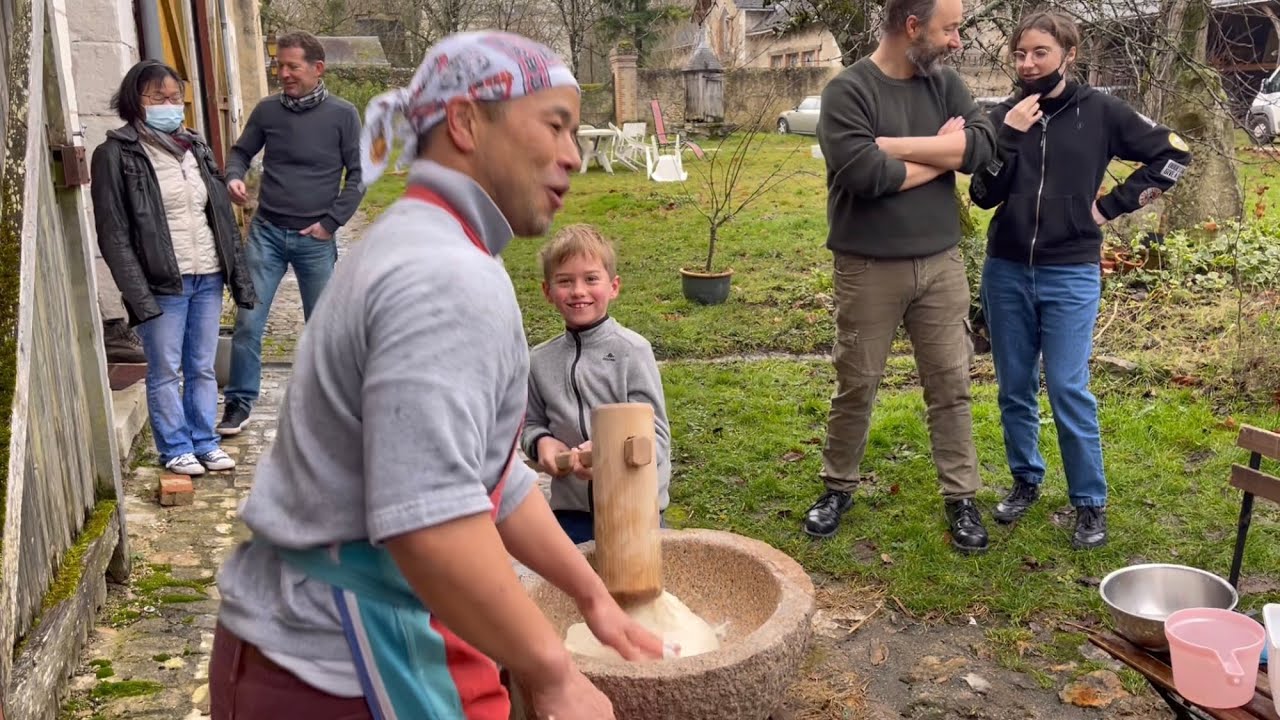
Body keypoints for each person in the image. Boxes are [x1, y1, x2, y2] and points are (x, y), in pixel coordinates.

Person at [211, 32, 663, 720]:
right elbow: (432, 523)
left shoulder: (419, 239)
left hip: (323, 653)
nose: (574, 153)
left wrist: (592, 595)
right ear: (466, 122)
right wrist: (553, 673)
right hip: (335, 675)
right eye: (555, 125)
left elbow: (490, 473)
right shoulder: (443, 275)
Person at [969, 11, 1192, 549]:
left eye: (1040, 52)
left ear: (1069, 53)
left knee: (1068, 386)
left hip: (1070, 271)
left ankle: (1089, 503)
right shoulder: (1005, 115)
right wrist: (1010, 138)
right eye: (1020, 53)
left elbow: (1176, 154)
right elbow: (982, 195)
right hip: (1006, 270)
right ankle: (1026, 480)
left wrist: (1108, 208)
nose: (1027, 63)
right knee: (1014, 387)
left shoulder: (1103, 112)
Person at [805, 0, 997, 553]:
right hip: (867, 267)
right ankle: (837, 486)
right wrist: (945, 151)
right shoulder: (849, 92)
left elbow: (982, 147)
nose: (957, 41)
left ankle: (961, 497)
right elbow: (863, 173)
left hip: (941, 265)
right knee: (857, 384)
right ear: (912, 28)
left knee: (951, 386)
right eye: (950, 29)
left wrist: (896, 147)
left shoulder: (946, 84)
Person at [90, 60, 257, 476]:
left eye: (174, 98)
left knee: (201, 366)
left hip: (207, 274)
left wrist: (234, 272)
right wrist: (137, 294)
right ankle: (176, 447)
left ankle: (205, 441)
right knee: (165, 369)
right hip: (163, 281)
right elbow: (113, 234)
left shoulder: (195, 147)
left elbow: (217, 216)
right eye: (158, 97)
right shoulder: (116, 154)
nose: (169, 105)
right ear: (135, 100)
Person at [217, 30, 365, 436]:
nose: (282, 73)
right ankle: (239, 404)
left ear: (318, 69)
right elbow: (240, 151)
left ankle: (326, 409)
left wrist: (330, 224)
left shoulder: (343, 115)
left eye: (291, 66)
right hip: (265, 234)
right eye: (278, 65)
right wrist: (233, 176)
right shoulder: (268, 112)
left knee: (322, 328)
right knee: (248, 322)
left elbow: (358, 176)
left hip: (315, 240)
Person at [523, 225, 672, 545]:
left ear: (613, 286)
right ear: (547, 292)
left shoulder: (632, 351)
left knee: (641, 590)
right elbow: (530, 424)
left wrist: (611, 453)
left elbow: (656, 436)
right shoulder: (539, 360)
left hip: (636, 507)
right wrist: (542, 444)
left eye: (591, 279)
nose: (578, 291)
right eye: (565, 281)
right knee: (577, 591)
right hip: (572, 513)